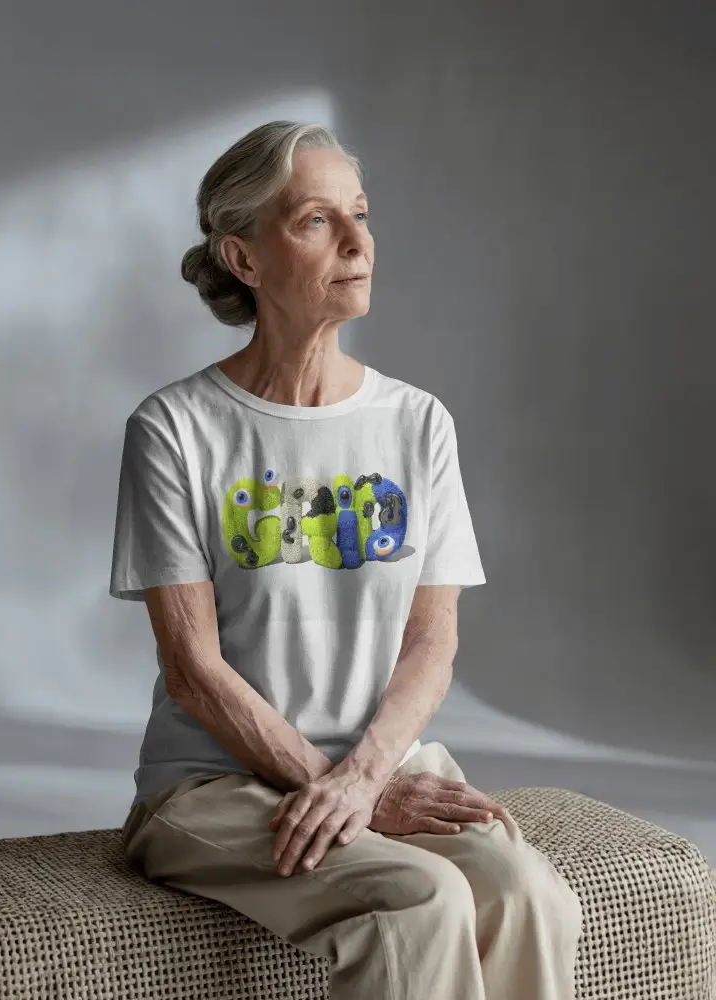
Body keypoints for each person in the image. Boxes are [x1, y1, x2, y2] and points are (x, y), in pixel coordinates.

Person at [109, 120, 582, 999]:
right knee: (419, 901)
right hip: (213, 786)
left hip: (383, 764)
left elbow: (430, 643)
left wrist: (366, 778)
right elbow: (193, 672)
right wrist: (345, 790)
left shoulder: (418, 423)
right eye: (317, 221)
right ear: (243, 258)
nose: (361, 244)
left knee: (529, 895)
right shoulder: (174, 430)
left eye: (361, 215)